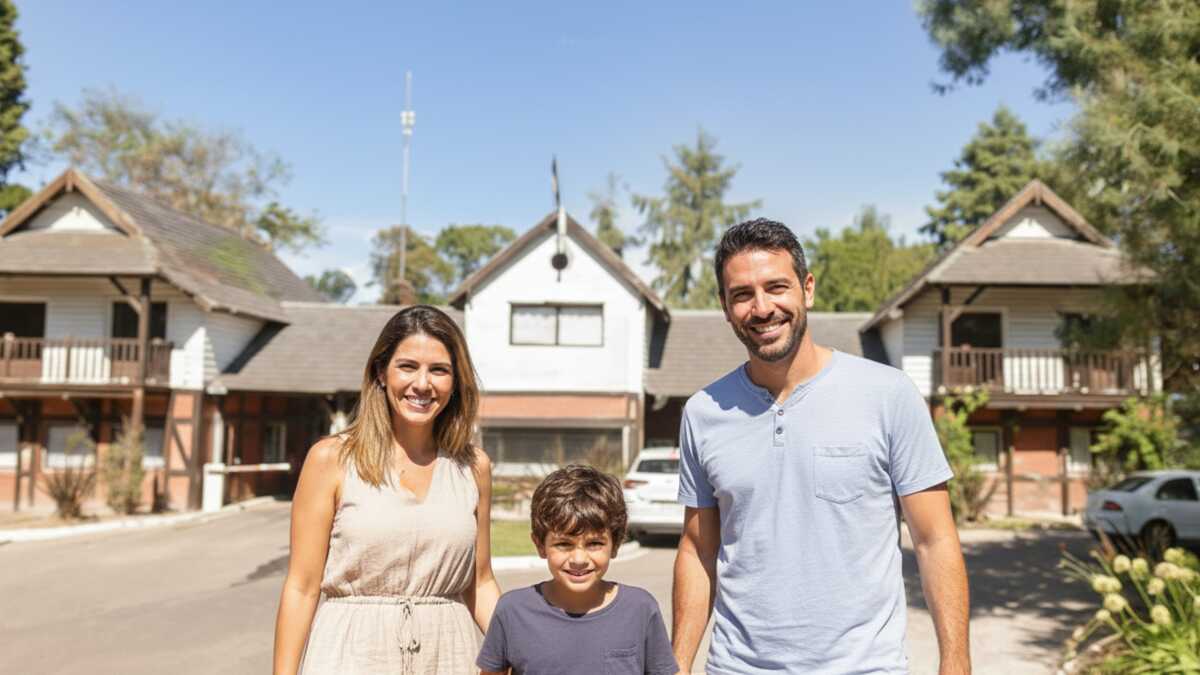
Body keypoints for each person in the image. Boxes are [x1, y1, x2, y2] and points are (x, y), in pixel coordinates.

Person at [671, 219, 970, 674]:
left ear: (807, 289)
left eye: (776, 287)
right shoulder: (703, 413)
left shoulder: (887, 394)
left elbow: (934, 540)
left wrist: (956, 662)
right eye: (743, 295)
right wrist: (678, 666)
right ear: (726, 308)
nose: (762, 307)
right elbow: (697, 550)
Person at [273, 305, 501, 674]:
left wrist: (522, 649)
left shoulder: (473, 468)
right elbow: (302, 586)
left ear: (456, 381)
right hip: (350, 654)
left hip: (449, 657)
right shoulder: (330, 459)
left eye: (439, 370)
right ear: (381, 372)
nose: (423, 384)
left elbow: (481, 583)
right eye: (408, 366)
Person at [478, 465, 679, 675]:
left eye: (594, 544)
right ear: (540, 545)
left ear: (616, 544)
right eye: (564, 544)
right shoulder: (512, 610)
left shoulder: (640, 609)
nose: (579, 559)